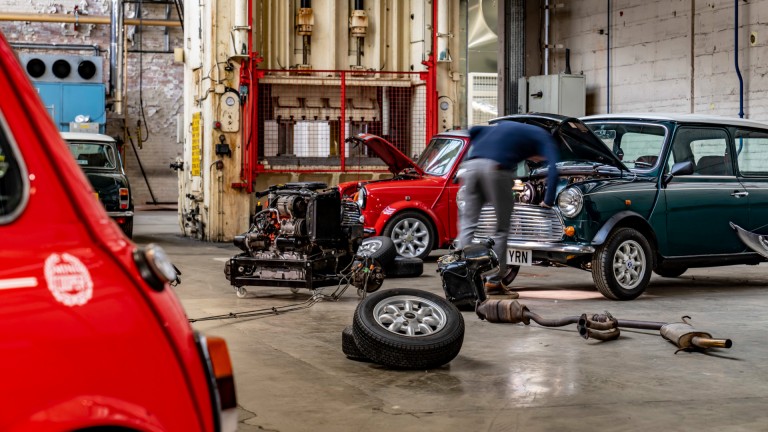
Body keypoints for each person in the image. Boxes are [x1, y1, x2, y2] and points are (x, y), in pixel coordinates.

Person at [456, 121, 560, 297]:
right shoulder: (545, 138)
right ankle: (494, 282)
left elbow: (473, 130)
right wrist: (548, 201)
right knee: (501, 229)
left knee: (468, 225)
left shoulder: (509, 127)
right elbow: (554, 171)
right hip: (495, 169)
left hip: (471, 167)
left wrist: (468, 159)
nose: (536, 161)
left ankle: (459, 276)